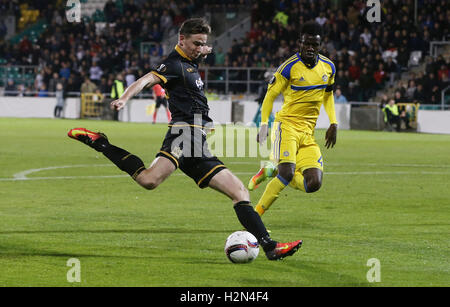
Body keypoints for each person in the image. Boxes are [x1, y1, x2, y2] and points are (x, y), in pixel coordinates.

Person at [67, 18, 301, 261]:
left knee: (240, 192)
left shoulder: (191, 60)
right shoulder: (174, 65)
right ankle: (101, 143)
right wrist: (125, 98)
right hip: (184, 134)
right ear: (181, 40)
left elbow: (201, 50)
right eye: (196, 44)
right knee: (149, 181)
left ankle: (270, 248)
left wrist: (204, 49)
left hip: (198, 140)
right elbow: (145, 80)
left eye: (204, 45)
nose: (200, 49)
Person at [247, 21, 338, 217]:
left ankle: (272, 169)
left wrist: (333, 122)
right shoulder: (288, 68)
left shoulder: (329, 67)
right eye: (307, 44)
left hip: (307, 133)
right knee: (287, 173)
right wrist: (264, 125)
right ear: (300, 43)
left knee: (313, 183)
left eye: (315, 45)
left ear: (320, 45)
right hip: (286, 127)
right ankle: (254, 218)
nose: (310, 48)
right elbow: (269, 97)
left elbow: (328, 95)